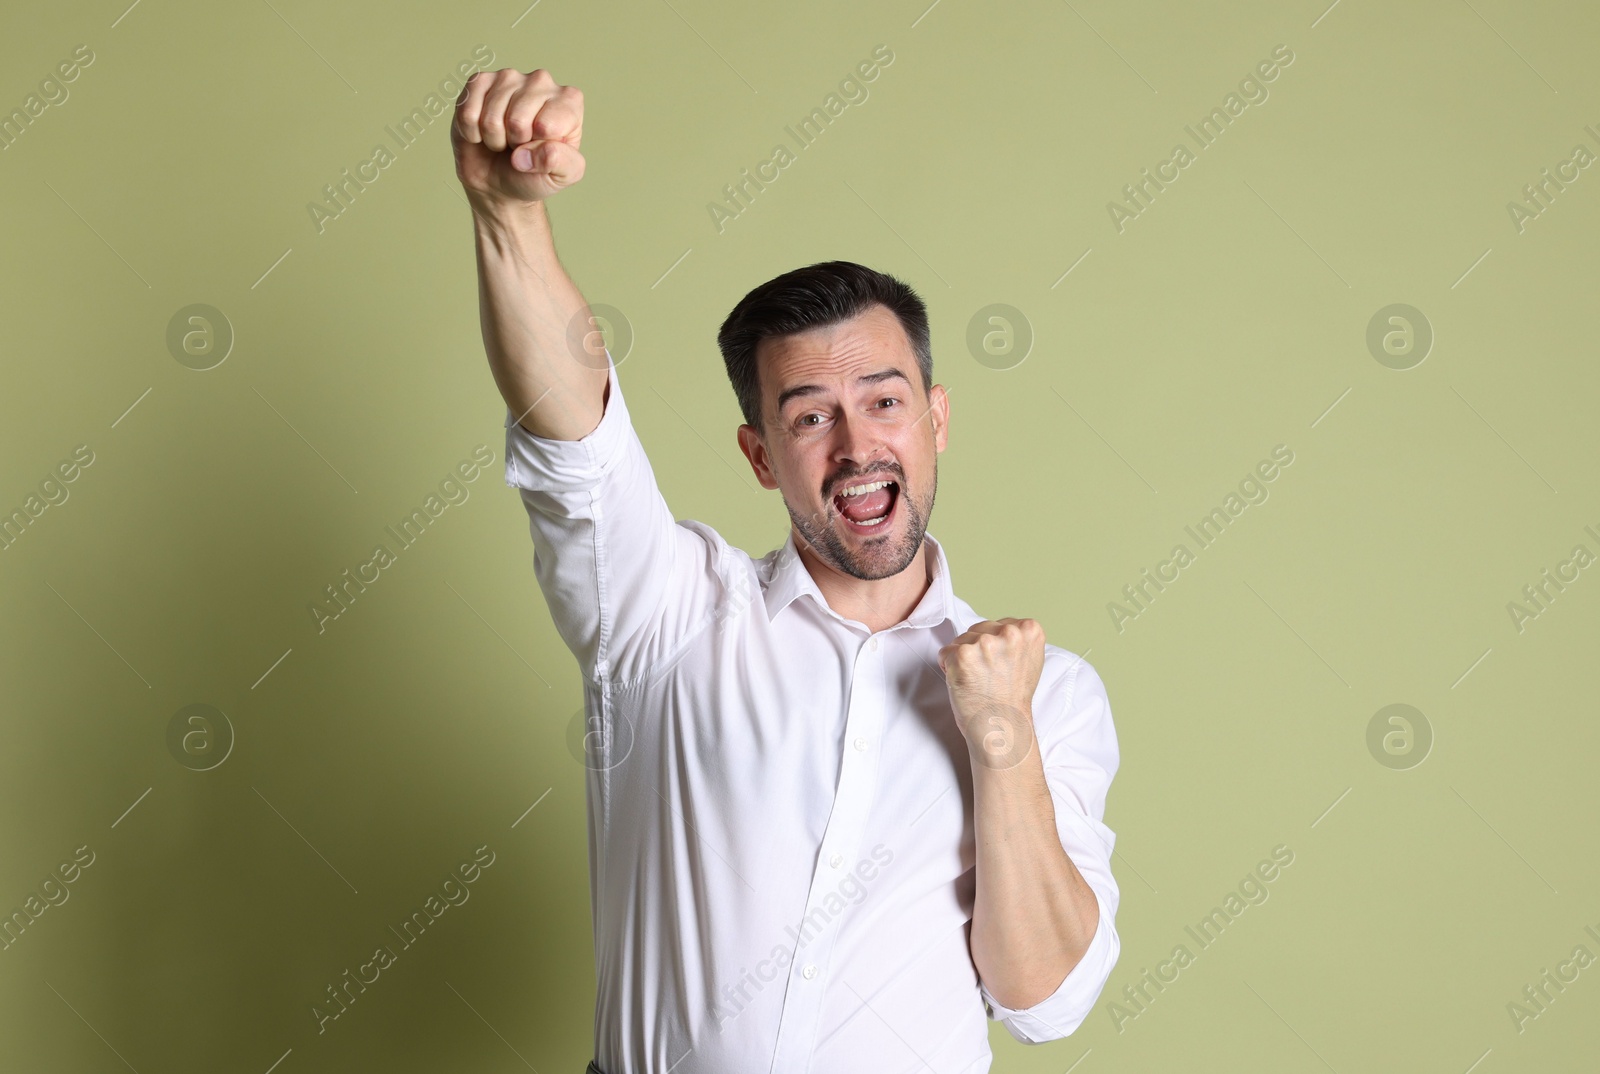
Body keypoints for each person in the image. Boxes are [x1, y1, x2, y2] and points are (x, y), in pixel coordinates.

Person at [452, 65, 1122, 1074]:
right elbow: (576, 445)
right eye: (810, 417)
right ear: (761, 455)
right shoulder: (668, 616)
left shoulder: (1050, 698)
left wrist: (1001, 739)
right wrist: (509, 217)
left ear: (935, 422)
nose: (856, 446)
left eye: (886, 403)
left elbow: (1044, 1002)